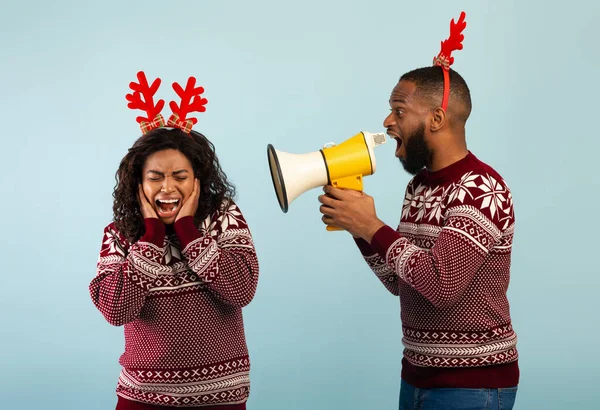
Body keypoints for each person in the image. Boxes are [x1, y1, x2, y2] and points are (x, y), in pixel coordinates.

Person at [318, 12, 519, 410]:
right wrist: (358, 228)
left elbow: (441, 286)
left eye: (399, 110)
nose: (387, 121)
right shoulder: (419, 186)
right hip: (415, 377)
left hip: (473, 385)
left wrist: (372, 225)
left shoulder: (481, 189)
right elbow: (402, 281)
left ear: (437, 119)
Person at [89, 71, 259, 409]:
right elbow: (115, 309)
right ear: (138, 182)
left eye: (179, 176)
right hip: (142, 398)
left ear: (198, 178)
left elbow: (241, 290)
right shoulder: (120, 232)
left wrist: (188, 231)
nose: (168, 187)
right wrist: (151, 237)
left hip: (221, 398)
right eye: (156, 177)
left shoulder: (223, 217)